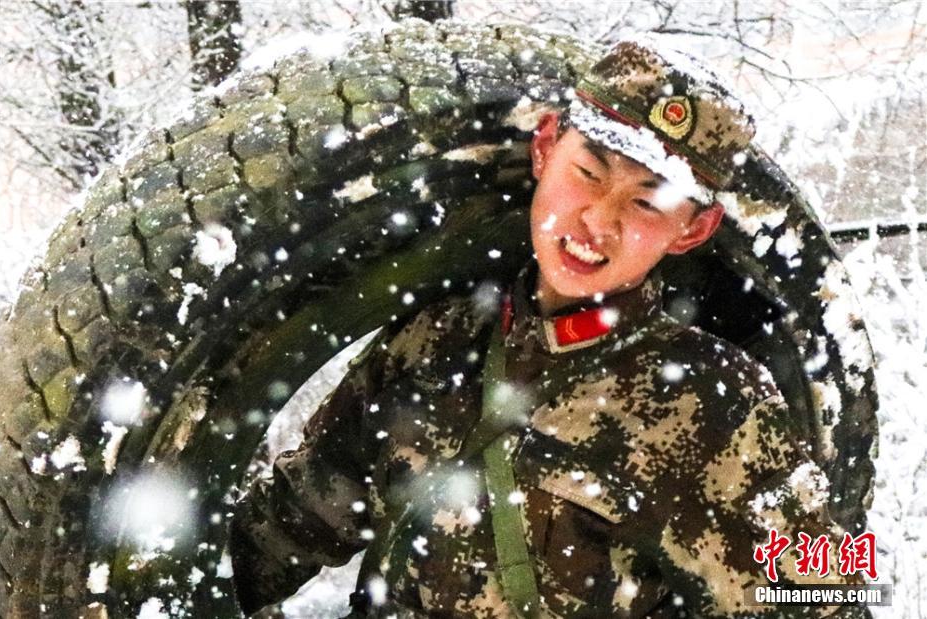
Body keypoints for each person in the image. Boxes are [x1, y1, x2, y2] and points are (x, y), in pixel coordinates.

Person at [229, 36, 871, 618]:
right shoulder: (435, 338)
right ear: (544, 148)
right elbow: (294, 523)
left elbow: (820, 600)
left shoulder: (717, 405)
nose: (598, 219)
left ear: (693, 230)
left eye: (647, 201)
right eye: (588, 173)